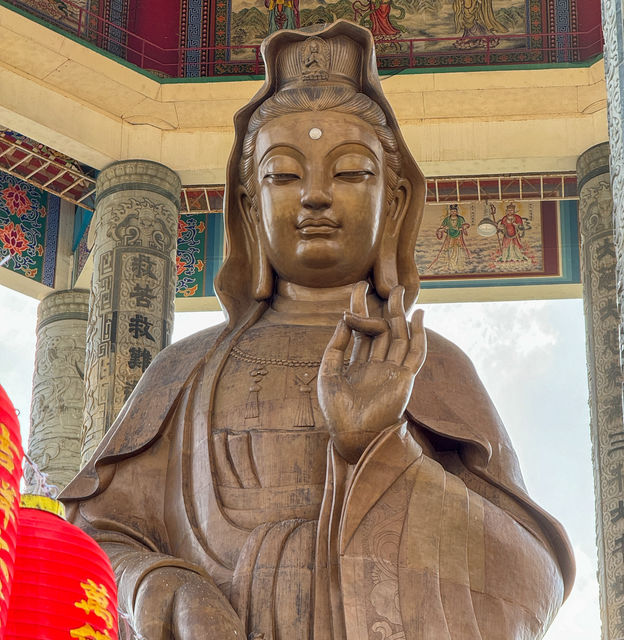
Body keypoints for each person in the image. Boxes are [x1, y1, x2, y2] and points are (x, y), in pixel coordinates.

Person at [61, 21, 574, 640]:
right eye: (283, 175)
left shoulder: (430, 364)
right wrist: (162, 589)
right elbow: (90, 541)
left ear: (397, 199)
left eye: (351, 173)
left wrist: (381, 446)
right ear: (249, 205)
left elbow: (531, 582)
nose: (315, 197)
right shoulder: (184, 370)